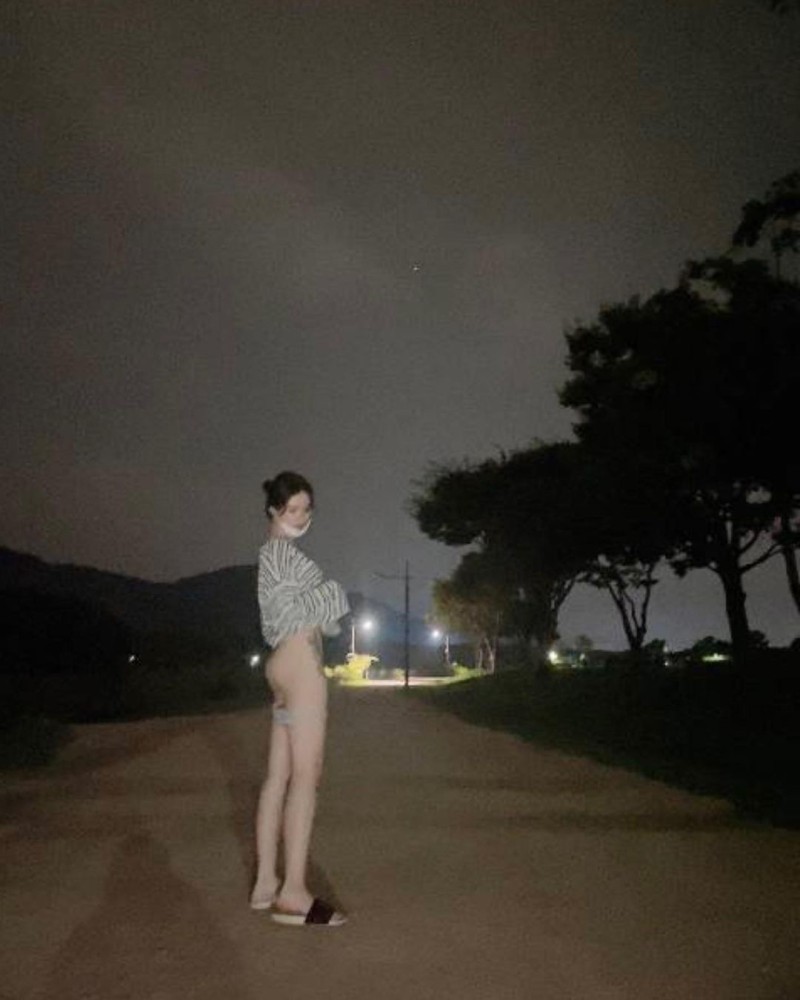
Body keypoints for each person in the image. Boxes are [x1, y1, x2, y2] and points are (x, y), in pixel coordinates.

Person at [250, 471, 350, 927]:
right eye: (292, 509)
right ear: (274, 510)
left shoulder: (270, 556)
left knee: (279, 777)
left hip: (279, 667)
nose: (301, 516)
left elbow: (288, 615)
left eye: (307, 508)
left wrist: (324, 605)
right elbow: (295, 614)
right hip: (300, 666)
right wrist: (332, 595)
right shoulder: (281, 554)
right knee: (306, 778)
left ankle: (265, 883)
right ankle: (293, 893)